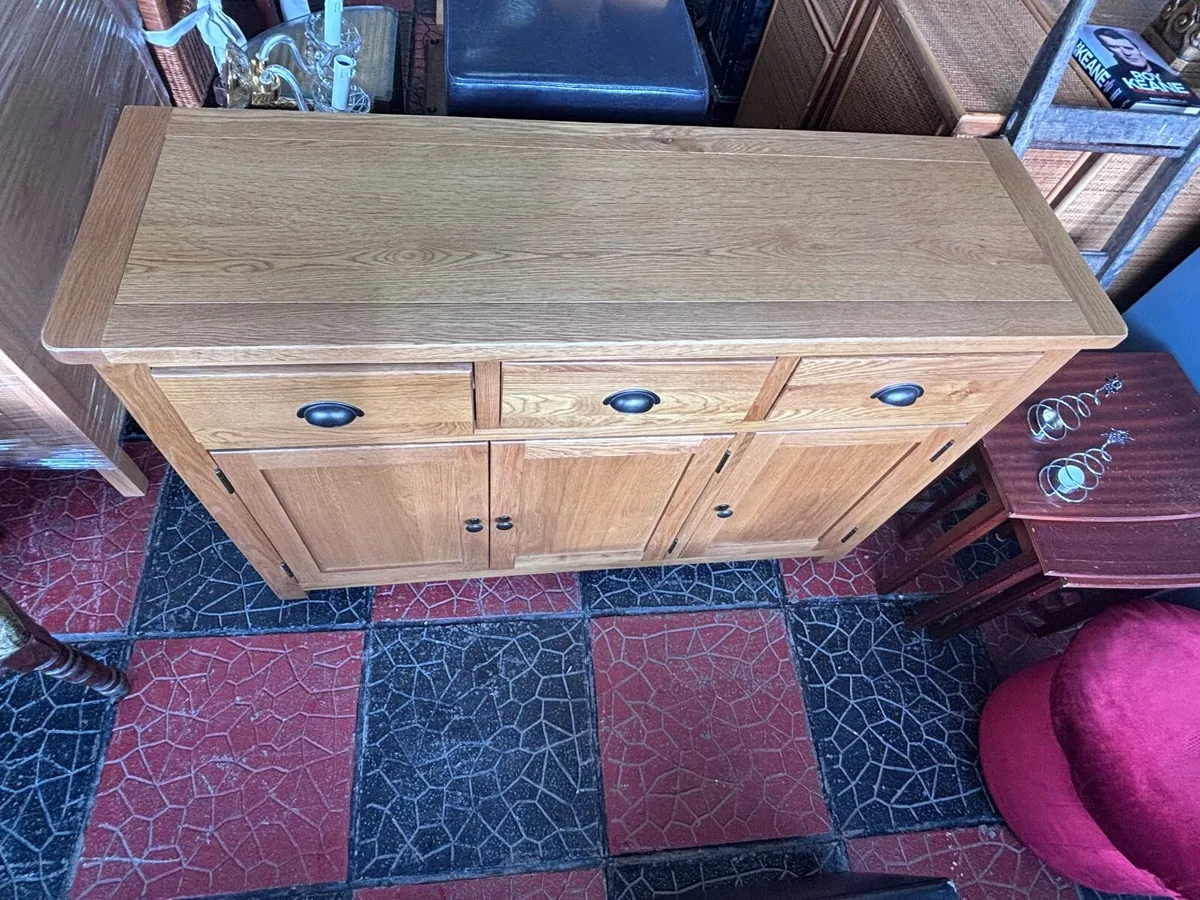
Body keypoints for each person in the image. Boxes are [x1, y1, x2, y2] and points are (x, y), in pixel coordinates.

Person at [1093, 27, 1185, 95]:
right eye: (1115, 48)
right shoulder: (1111, 74)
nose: (1126, 53)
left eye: (1129, 48)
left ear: (1139, 49)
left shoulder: (1169, 74)